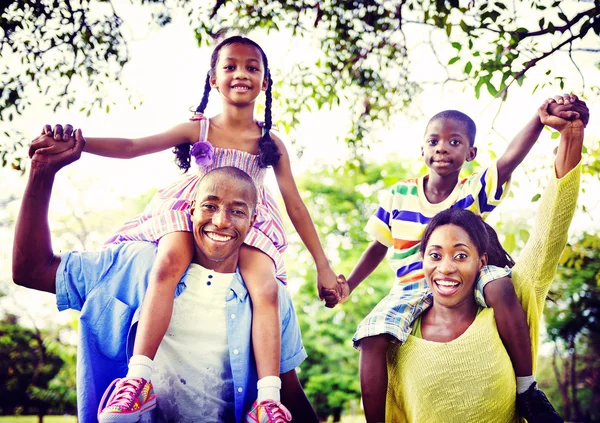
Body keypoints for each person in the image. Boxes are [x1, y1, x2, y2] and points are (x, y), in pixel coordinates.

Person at [31, 36, 342, 422]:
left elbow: (294, 203)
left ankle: (267, 399)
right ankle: (139, 378)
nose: (241, 73)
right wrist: (80, 144)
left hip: (248, 220)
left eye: (252, 67)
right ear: (213, 79)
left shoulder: (269, 141)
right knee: (167, 263)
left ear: (265, 82)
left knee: (265, 288)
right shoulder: (200, 130)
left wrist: (322, 264)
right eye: (230, 66)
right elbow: (132, 145)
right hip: (194, 211)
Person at [12, 128, 319, 423]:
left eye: (237, 211)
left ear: (254, 221)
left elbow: (289, 390)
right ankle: (136, 383)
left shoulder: (270, 295)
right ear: (191, 208)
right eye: (210, 206)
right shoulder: (133, 266)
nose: (221, 221)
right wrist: (42, 172)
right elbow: (31, 270)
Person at [336, 95, 584, 422]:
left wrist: (539, 119)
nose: (442, 148)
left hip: (468, 278)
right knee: (371, 335)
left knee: (501, 288)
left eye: (454, 142)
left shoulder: (471, 190)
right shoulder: (399, 195)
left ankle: (526, 388)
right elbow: (378, 245)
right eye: (434, 141)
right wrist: (349, 285)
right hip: (409, 288)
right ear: (421, 150)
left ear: (470, 153)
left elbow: (508, 160)